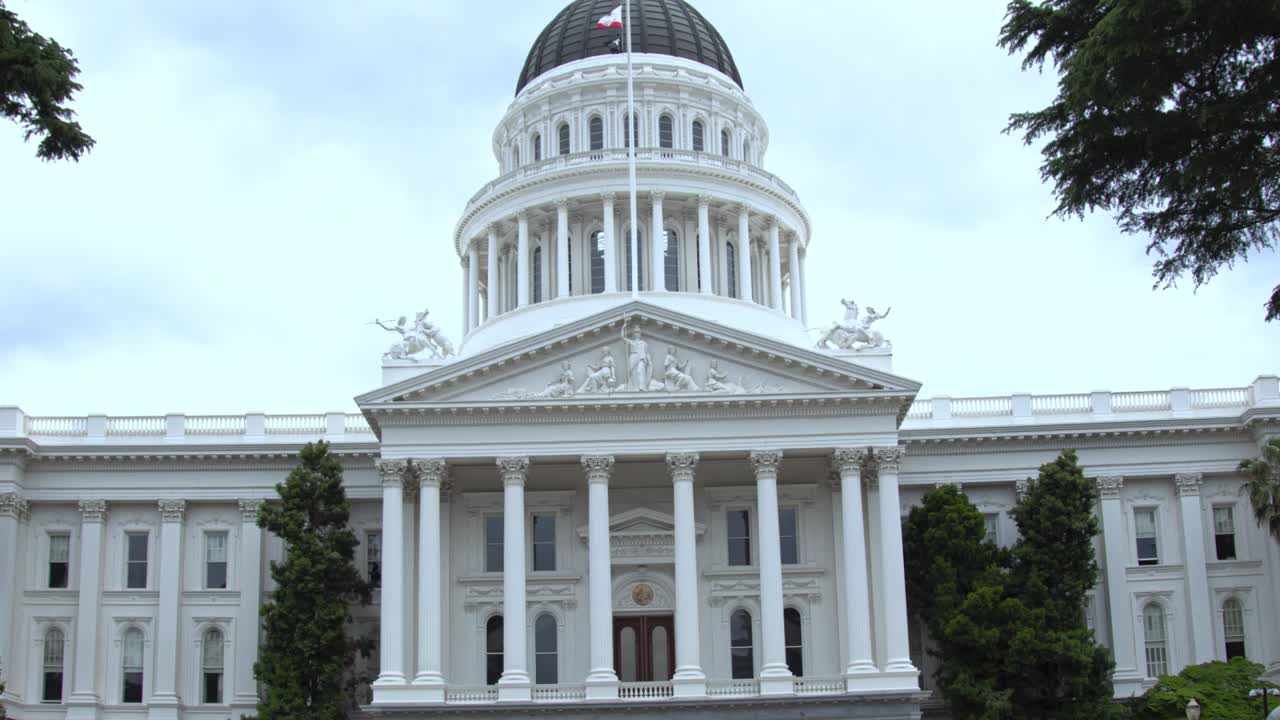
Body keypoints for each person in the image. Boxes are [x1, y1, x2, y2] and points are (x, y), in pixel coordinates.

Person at [621, 322, 654, 391]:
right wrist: (623, 328)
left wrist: (649, 361)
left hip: (641, 359)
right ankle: (634, 388)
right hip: (633, 358)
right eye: (635, 332)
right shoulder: (631, 342)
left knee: (640, 371)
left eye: (638, 332)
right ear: (633, 334)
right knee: (633, 373)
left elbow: (646, 353)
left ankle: (642, 387)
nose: (637, 334)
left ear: (640, 334)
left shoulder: (644, 343)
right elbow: (622, 337)